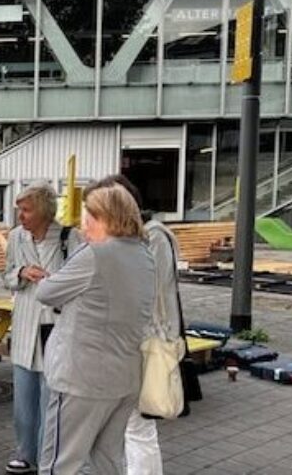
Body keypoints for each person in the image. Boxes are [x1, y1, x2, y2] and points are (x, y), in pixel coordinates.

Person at [35, 184, 155, 475]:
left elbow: (47, 293)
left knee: (60, 464)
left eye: (87, 217)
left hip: (81, 378)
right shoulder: (144, 255)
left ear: (103, 217)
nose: (82, 225)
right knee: (108, 461)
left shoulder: (93, 255)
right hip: (124, 378)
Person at [91, 174, 187, 475]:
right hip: (125, 343)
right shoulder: (129, 239)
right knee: (126, 428)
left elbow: (147, 291)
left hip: (145, 345)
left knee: (138, 427)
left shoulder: (153, 236)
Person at [0, 184, 81, 475]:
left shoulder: (70, 237)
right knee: (24, 394)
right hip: (25, 322)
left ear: (45, 211)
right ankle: (25, 453)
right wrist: (21, 273)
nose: (21, 215)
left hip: (54, 324)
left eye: (26, 209)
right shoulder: (16, 237)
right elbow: (6, 275)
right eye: (19, 209)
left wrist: (54, 281)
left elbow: (80, 280)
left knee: (51, 395)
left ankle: (49, 456)